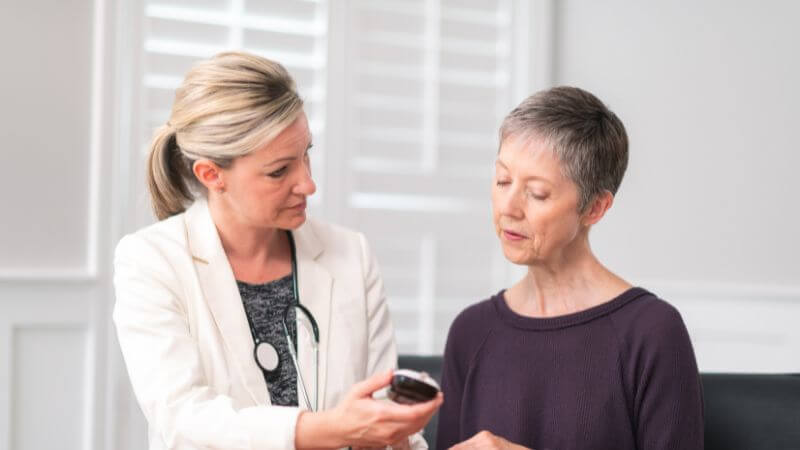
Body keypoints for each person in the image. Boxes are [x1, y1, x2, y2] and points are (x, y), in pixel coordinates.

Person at [112, 51, 442, 450]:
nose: (308, 184)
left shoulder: (351, 254)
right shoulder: (151, 261)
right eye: (279, 170)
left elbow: (389, 432)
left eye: (307, 155)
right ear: (212, 174)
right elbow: (184, 418)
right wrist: (335, 429)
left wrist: (396, 432)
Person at [436, 87, 703, 450]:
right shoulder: (470, 332)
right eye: (502, 181)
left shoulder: (652, 332)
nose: (508, 207)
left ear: (595, 208)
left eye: (537, 193)